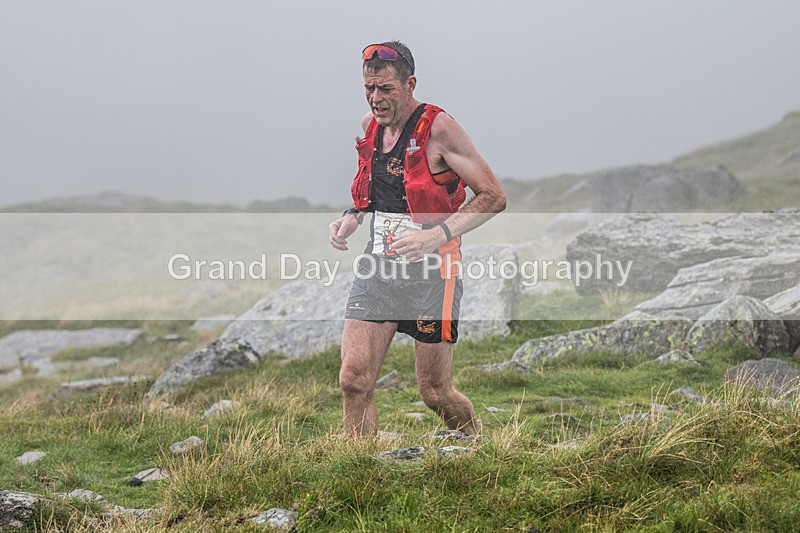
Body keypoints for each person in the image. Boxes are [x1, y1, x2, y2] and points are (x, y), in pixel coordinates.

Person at [328, 41, 506, 437]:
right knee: (354, 380)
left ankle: (477, 448)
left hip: (434, 271)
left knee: (435, 392)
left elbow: (494, 196)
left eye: (386, 89)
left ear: (410, 84)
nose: (376, 99)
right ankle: (358, 475)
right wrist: (351, 217)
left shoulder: (439, 129)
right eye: (369, 89)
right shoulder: (369, 128)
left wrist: (436, 235)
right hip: (379, 267)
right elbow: (375, 192)